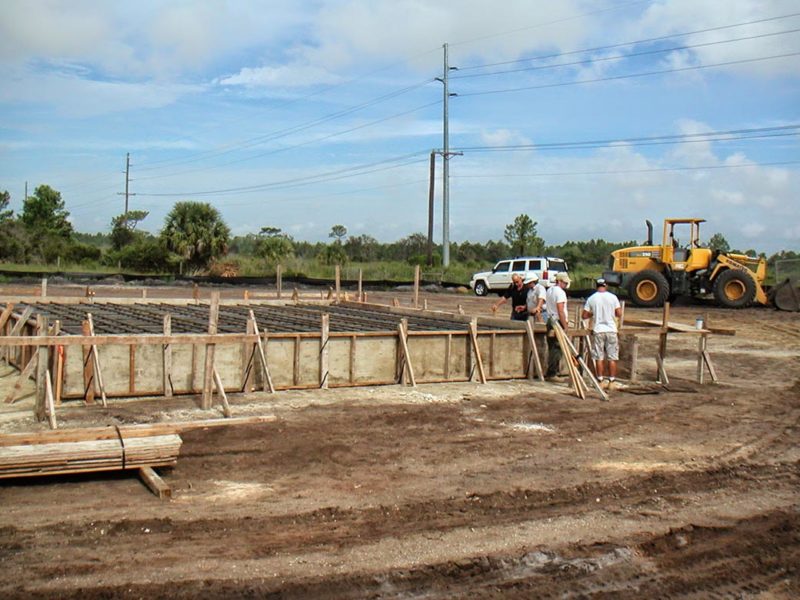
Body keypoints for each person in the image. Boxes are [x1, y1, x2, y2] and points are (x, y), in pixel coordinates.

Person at [582, 277, 622, 389]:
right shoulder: (613, 297)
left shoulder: (591, 298)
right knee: (612, 357)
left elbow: (584, 315)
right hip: (611, 329)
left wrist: (593, 314)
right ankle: (612, 381)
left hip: (598, 330)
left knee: (599, 357)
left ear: (596, 286)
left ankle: (600, 380)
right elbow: (619, 313)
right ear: (606, 286)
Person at [545, 272, 570, 379]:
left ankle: (553, 371)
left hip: (550, 320)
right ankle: (552, 373)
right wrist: (565, 325)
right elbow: (560, 310)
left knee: (552, 347)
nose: (566, 285)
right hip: (557, 321)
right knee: (557, 348)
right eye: (564, 282)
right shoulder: (560, 293)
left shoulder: (550, 290)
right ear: (559, 281)